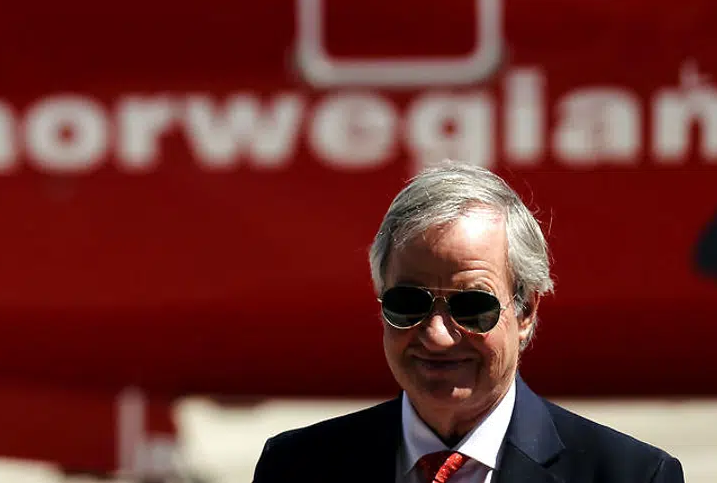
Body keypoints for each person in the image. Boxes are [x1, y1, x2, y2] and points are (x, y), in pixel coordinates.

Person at [250, 161, 682, 482]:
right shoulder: (295, 468)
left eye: (472, 306)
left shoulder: (633, 476)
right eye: (408, 303)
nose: (437, 336)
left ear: (526, 310)